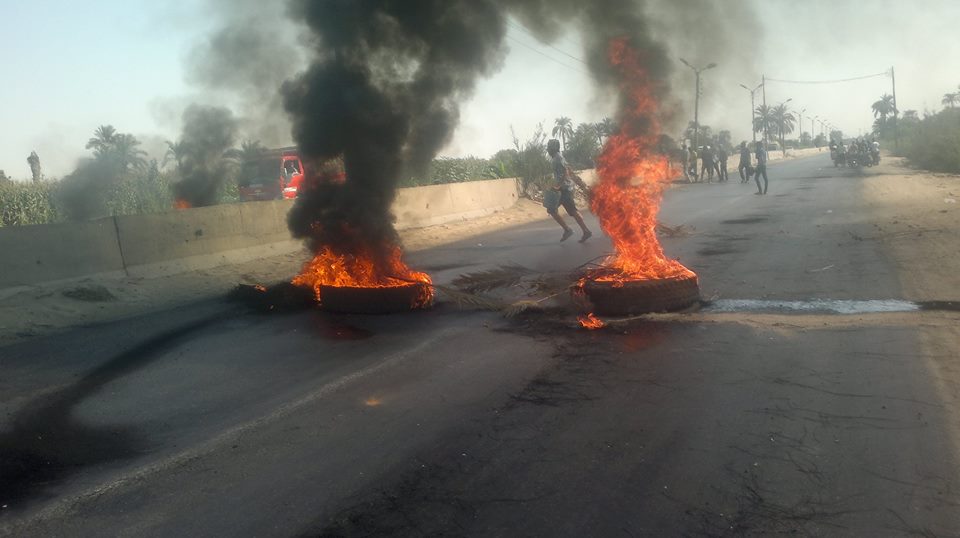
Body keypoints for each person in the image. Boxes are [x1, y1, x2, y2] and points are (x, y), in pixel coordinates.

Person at [546, 138, 592, 242]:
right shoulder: (557, 158)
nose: (547, 149)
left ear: (554, 148)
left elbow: (565, 172)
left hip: (564, 189)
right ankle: (583, 231)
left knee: (554, 210)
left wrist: (558, 186)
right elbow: (567, 169)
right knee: (570, 211)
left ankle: (570, 230)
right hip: (564, 188)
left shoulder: (558, 158)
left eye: (549, 147)